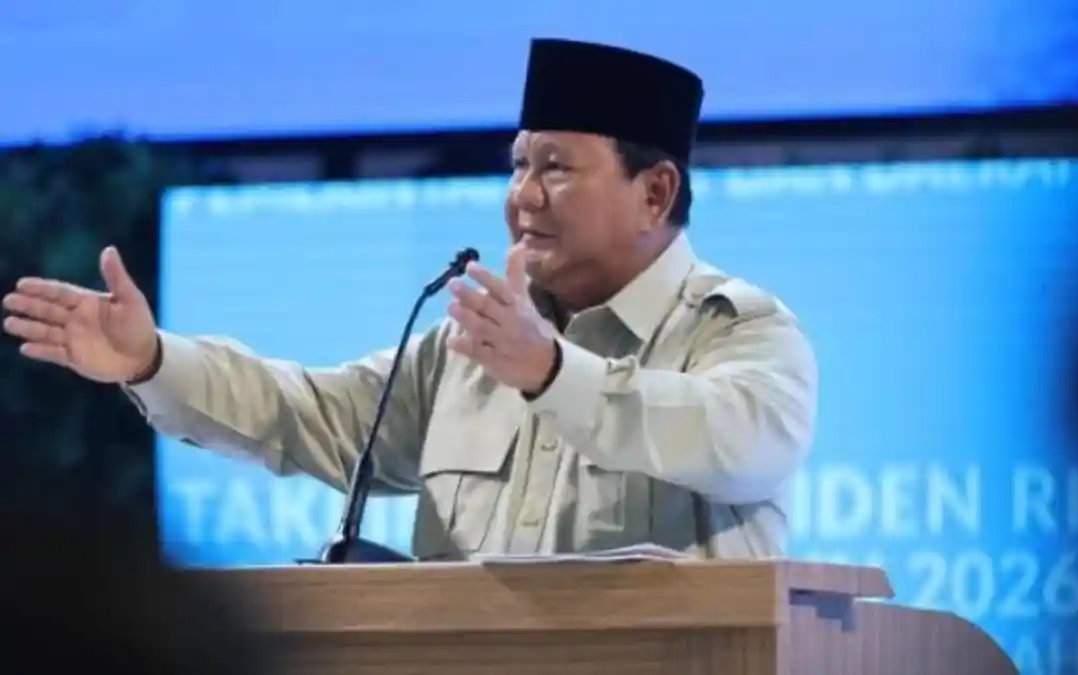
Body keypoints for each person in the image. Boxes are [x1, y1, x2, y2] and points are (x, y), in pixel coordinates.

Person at [1, 38, 817, 561]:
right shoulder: (466, 349)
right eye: (518, 165)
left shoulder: (739, 330)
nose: (522, 197)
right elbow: (305, 412)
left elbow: (738, 441)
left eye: (556, 168)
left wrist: (549, 373)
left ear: (656, 191)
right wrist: (151, 360)